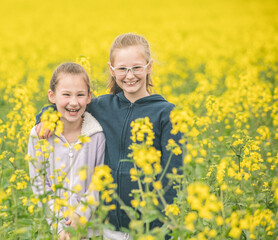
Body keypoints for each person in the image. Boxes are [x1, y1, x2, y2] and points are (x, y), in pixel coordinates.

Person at [35, 33, 183, 240]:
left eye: (136, 68)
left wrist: (161, 222)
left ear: (149, 67)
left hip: (151, 226)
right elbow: (69, 106)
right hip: (110, 225)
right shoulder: (103, 106)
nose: (129, 75)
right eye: (122, 69)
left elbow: (173, 175)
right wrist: (46, 116)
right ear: (112, 70)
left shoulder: (166, 113)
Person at [28, 62, 105, 240]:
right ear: (52, 96)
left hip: (89, 231)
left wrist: (80, 216)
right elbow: (39, 184)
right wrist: (58, 225)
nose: (73, 102)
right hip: (52, 229)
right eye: (66, 95)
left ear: (89, 97)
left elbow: (97, 182)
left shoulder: (97, 135)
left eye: (80, 95)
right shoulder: (38, 135)